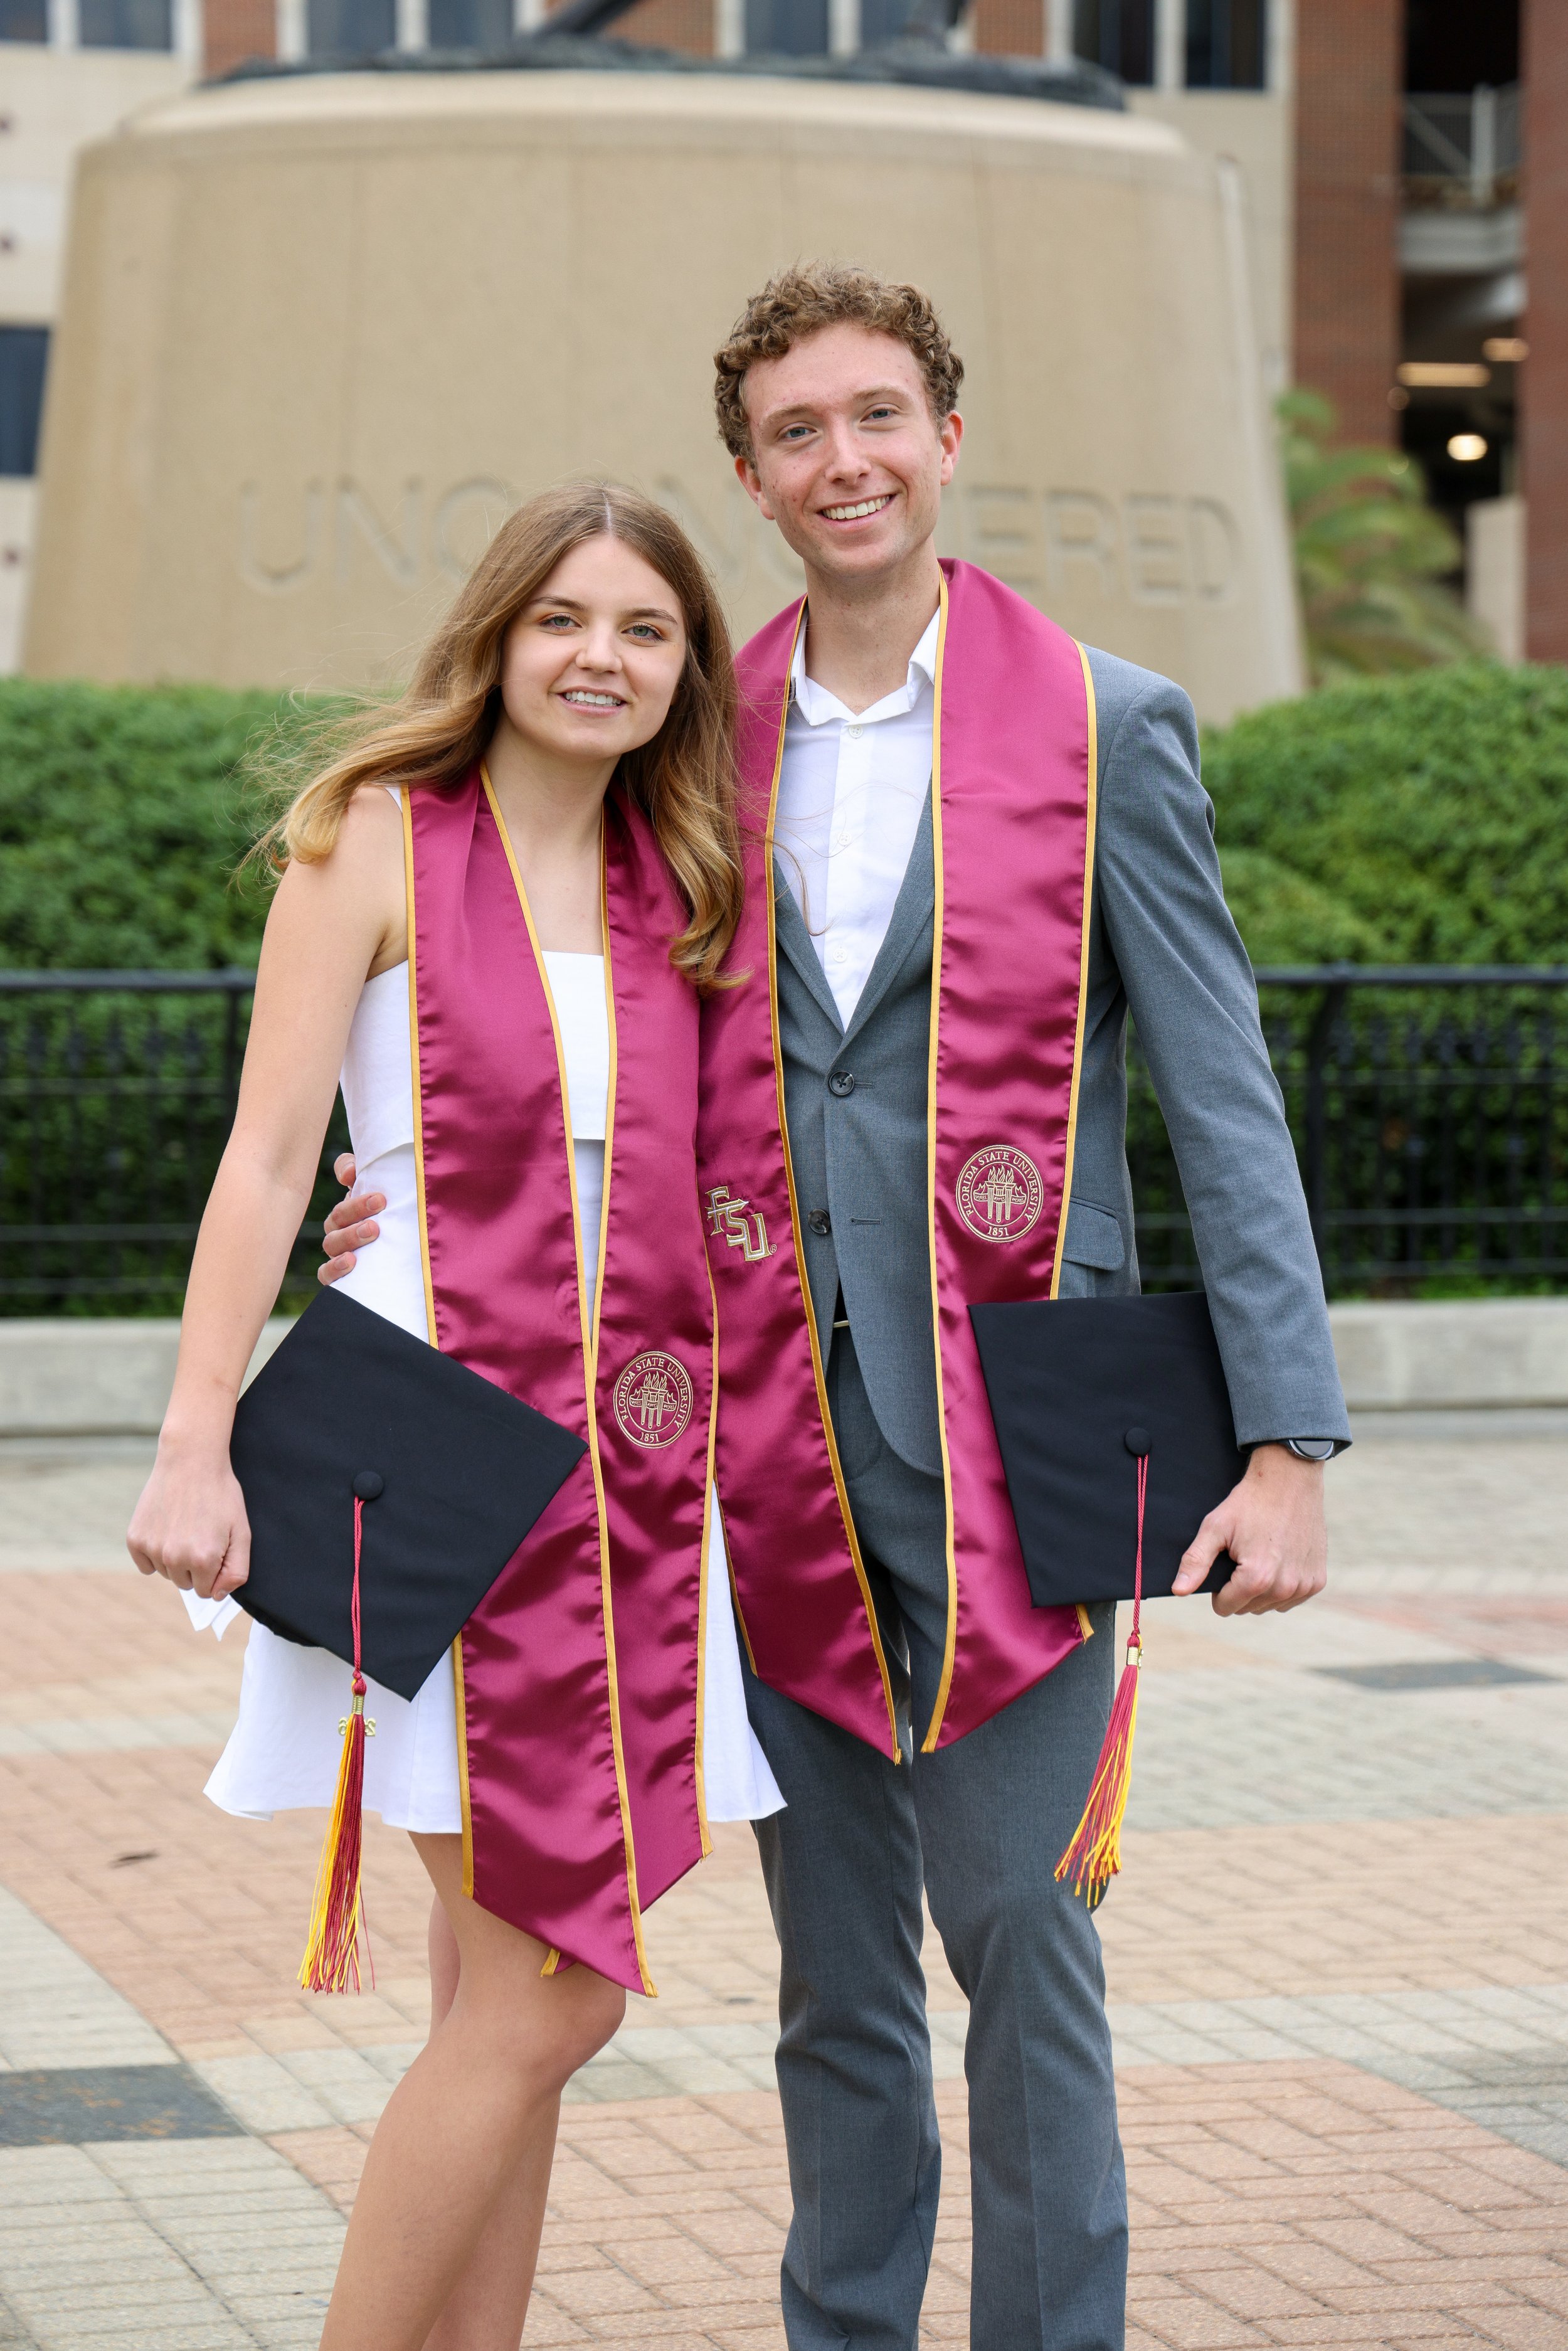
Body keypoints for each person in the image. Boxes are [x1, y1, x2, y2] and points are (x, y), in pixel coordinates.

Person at [323, 267, 1350, 2351]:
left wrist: (1288, 1442)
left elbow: (1225, 1101)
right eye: (797, 432)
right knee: (838, 1988)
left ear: (946, 437)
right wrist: (393, 1197)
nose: (844, 458)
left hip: (1023, 1433)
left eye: (877, 415)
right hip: (754, 1435)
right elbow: (562, 1020)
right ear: (752, 477)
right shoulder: (701, 734)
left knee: (1024, 1940)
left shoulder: (1102, 726)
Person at [127, 481, 783, 2351]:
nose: (603, 656)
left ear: (685, 669)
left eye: (646, 630)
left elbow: (734, 1187)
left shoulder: (697, 882)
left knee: (503, 1989)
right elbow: (265, 1162)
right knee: (552, 1993)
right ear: (499, 636)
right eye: (567, 619)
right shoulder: (378, 845)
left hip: (641, 1469)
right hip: (440, 1428)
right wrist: (192, 1438)